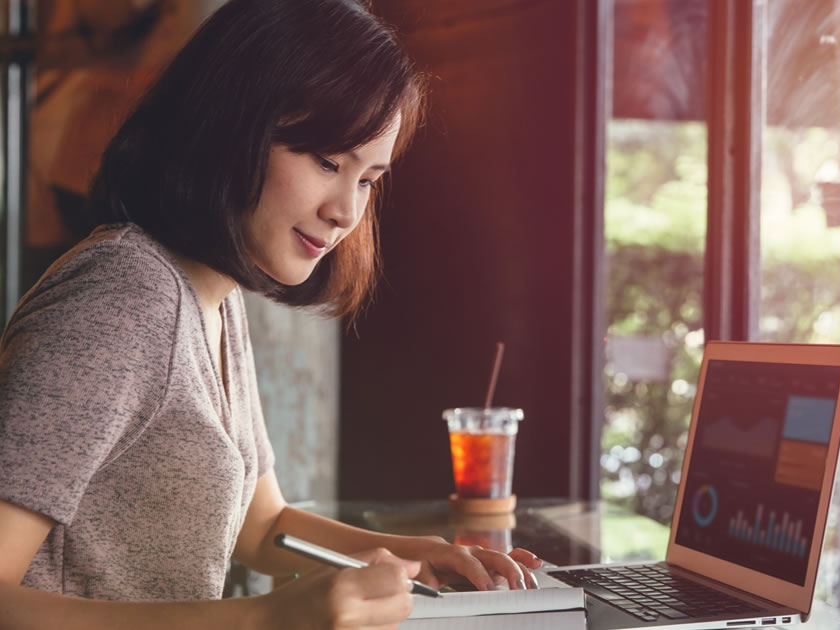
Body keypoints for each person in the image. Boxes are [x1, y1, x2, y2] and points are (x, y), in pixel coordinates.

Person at [0, 0, 542, 627]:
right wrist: (264, 620)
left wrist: (416, 558)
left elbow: (261, 525)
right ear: (233, 125)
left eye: (367, 179)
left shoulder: (213, 294)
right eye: (327, 162)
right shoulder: (119, 301)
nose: (346, 211)